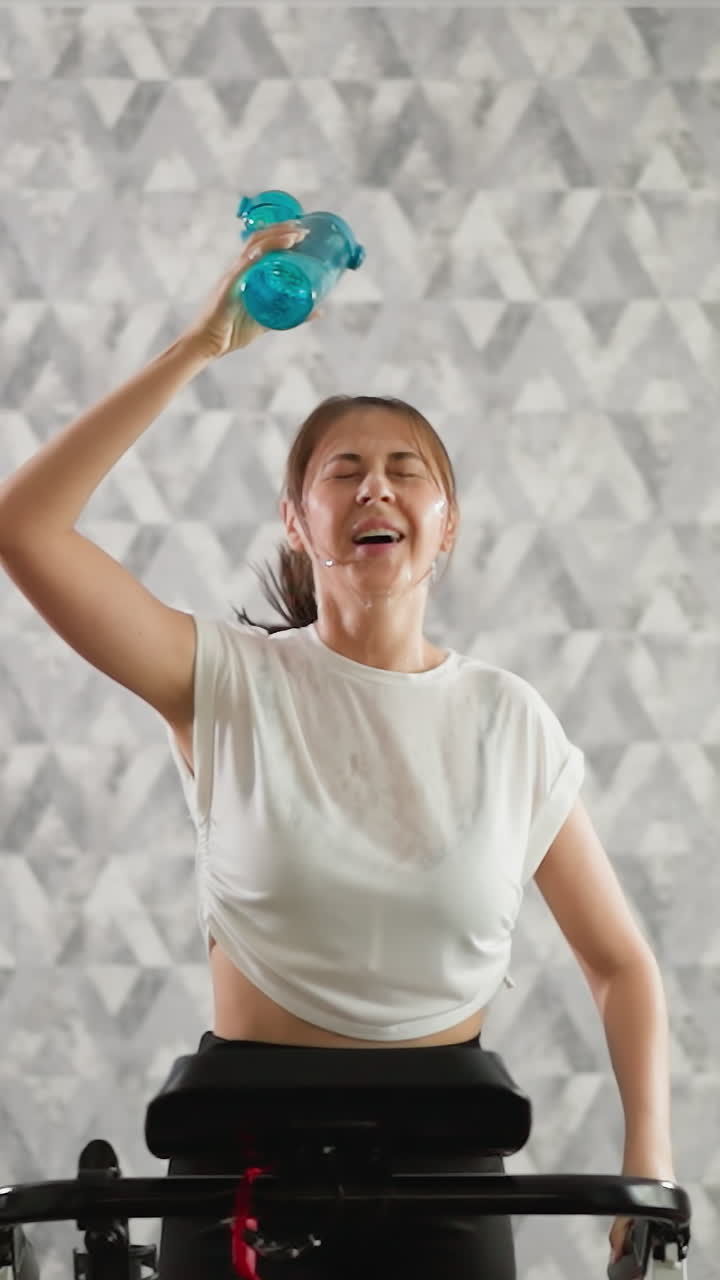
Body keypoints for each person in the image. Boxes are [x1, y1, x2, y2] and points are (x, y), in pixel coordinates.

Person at [0, 221, 676, 1279]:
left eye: (407, 470)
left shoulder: (511, 719)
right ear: (296, 520)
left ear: (444, 524)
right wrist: (199, 345)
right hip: (245, 1149)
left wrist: (651, 1166)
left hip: (448, 1147)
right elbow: (26, 525)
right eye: (342, 471)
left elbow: (620, 963)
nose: (375, 487)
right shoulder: (222, 680)